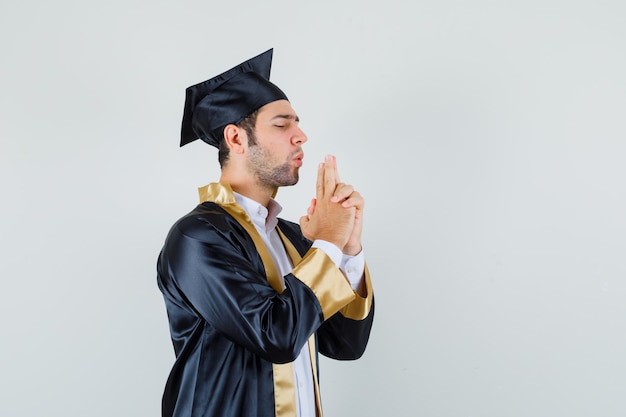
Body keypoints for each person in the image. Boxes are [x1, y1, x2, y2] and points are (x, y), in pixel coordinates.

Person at [157, 49, 374, 417]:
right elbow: (277, 335)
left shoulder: (293, 236)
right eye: (281, 124)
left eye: (297, 123)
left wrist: (348, 247)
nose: (301, 135)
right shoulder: (197, 237)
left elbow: (345, 343)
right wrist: (328, 243)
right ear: (237, 139)